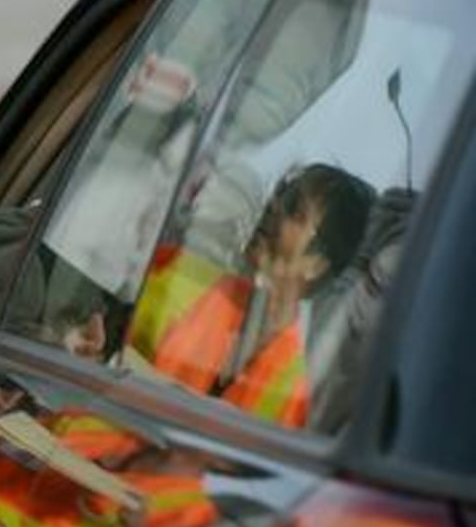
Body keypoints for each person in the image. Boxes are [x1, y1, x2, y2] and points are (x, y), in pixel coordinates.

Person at [127, 163, 375, 428]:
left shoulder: (293, 393)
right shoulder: (180, 272)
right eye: (280, 192)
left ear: (316, 263)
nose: (273, 206)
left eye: (294, 209)